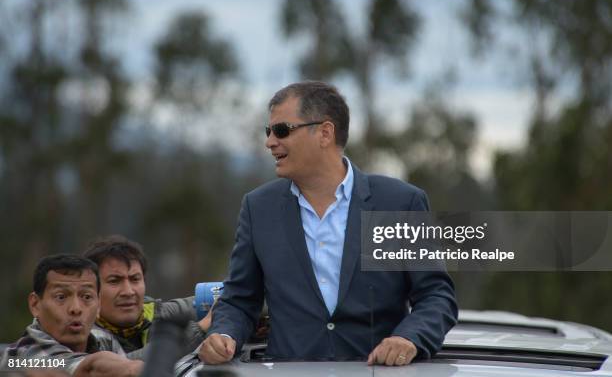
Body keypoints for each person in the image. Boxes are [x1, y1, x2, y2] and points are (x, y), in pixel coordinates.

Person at [200, 81, 458, 367]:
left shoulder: (399, 204)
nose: (270, 141)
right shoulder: (258, 208)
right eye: (268, 131)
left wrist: (409, 338)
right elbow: (239, 299)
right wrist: (223, 334)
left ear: (325, 133)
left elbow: (436, 296)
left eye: (282, 130)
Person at [0, 254, 143, 376]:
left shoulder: (100, 338)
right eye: (61, 297)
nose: (76, 308)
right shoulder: (26, 355)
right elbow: (91, 368)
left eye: (86, 297)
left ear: (99, 303)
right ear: (35, 304)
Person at [82, 235, 211, 360]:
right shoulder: (79, 333)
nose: (128, 291)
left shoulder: (155, 312)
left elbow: (215, 300)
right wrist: (199, 329)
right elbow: (119, 366)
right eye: (114, 281)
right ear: (91, 290)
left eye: (135, 279)